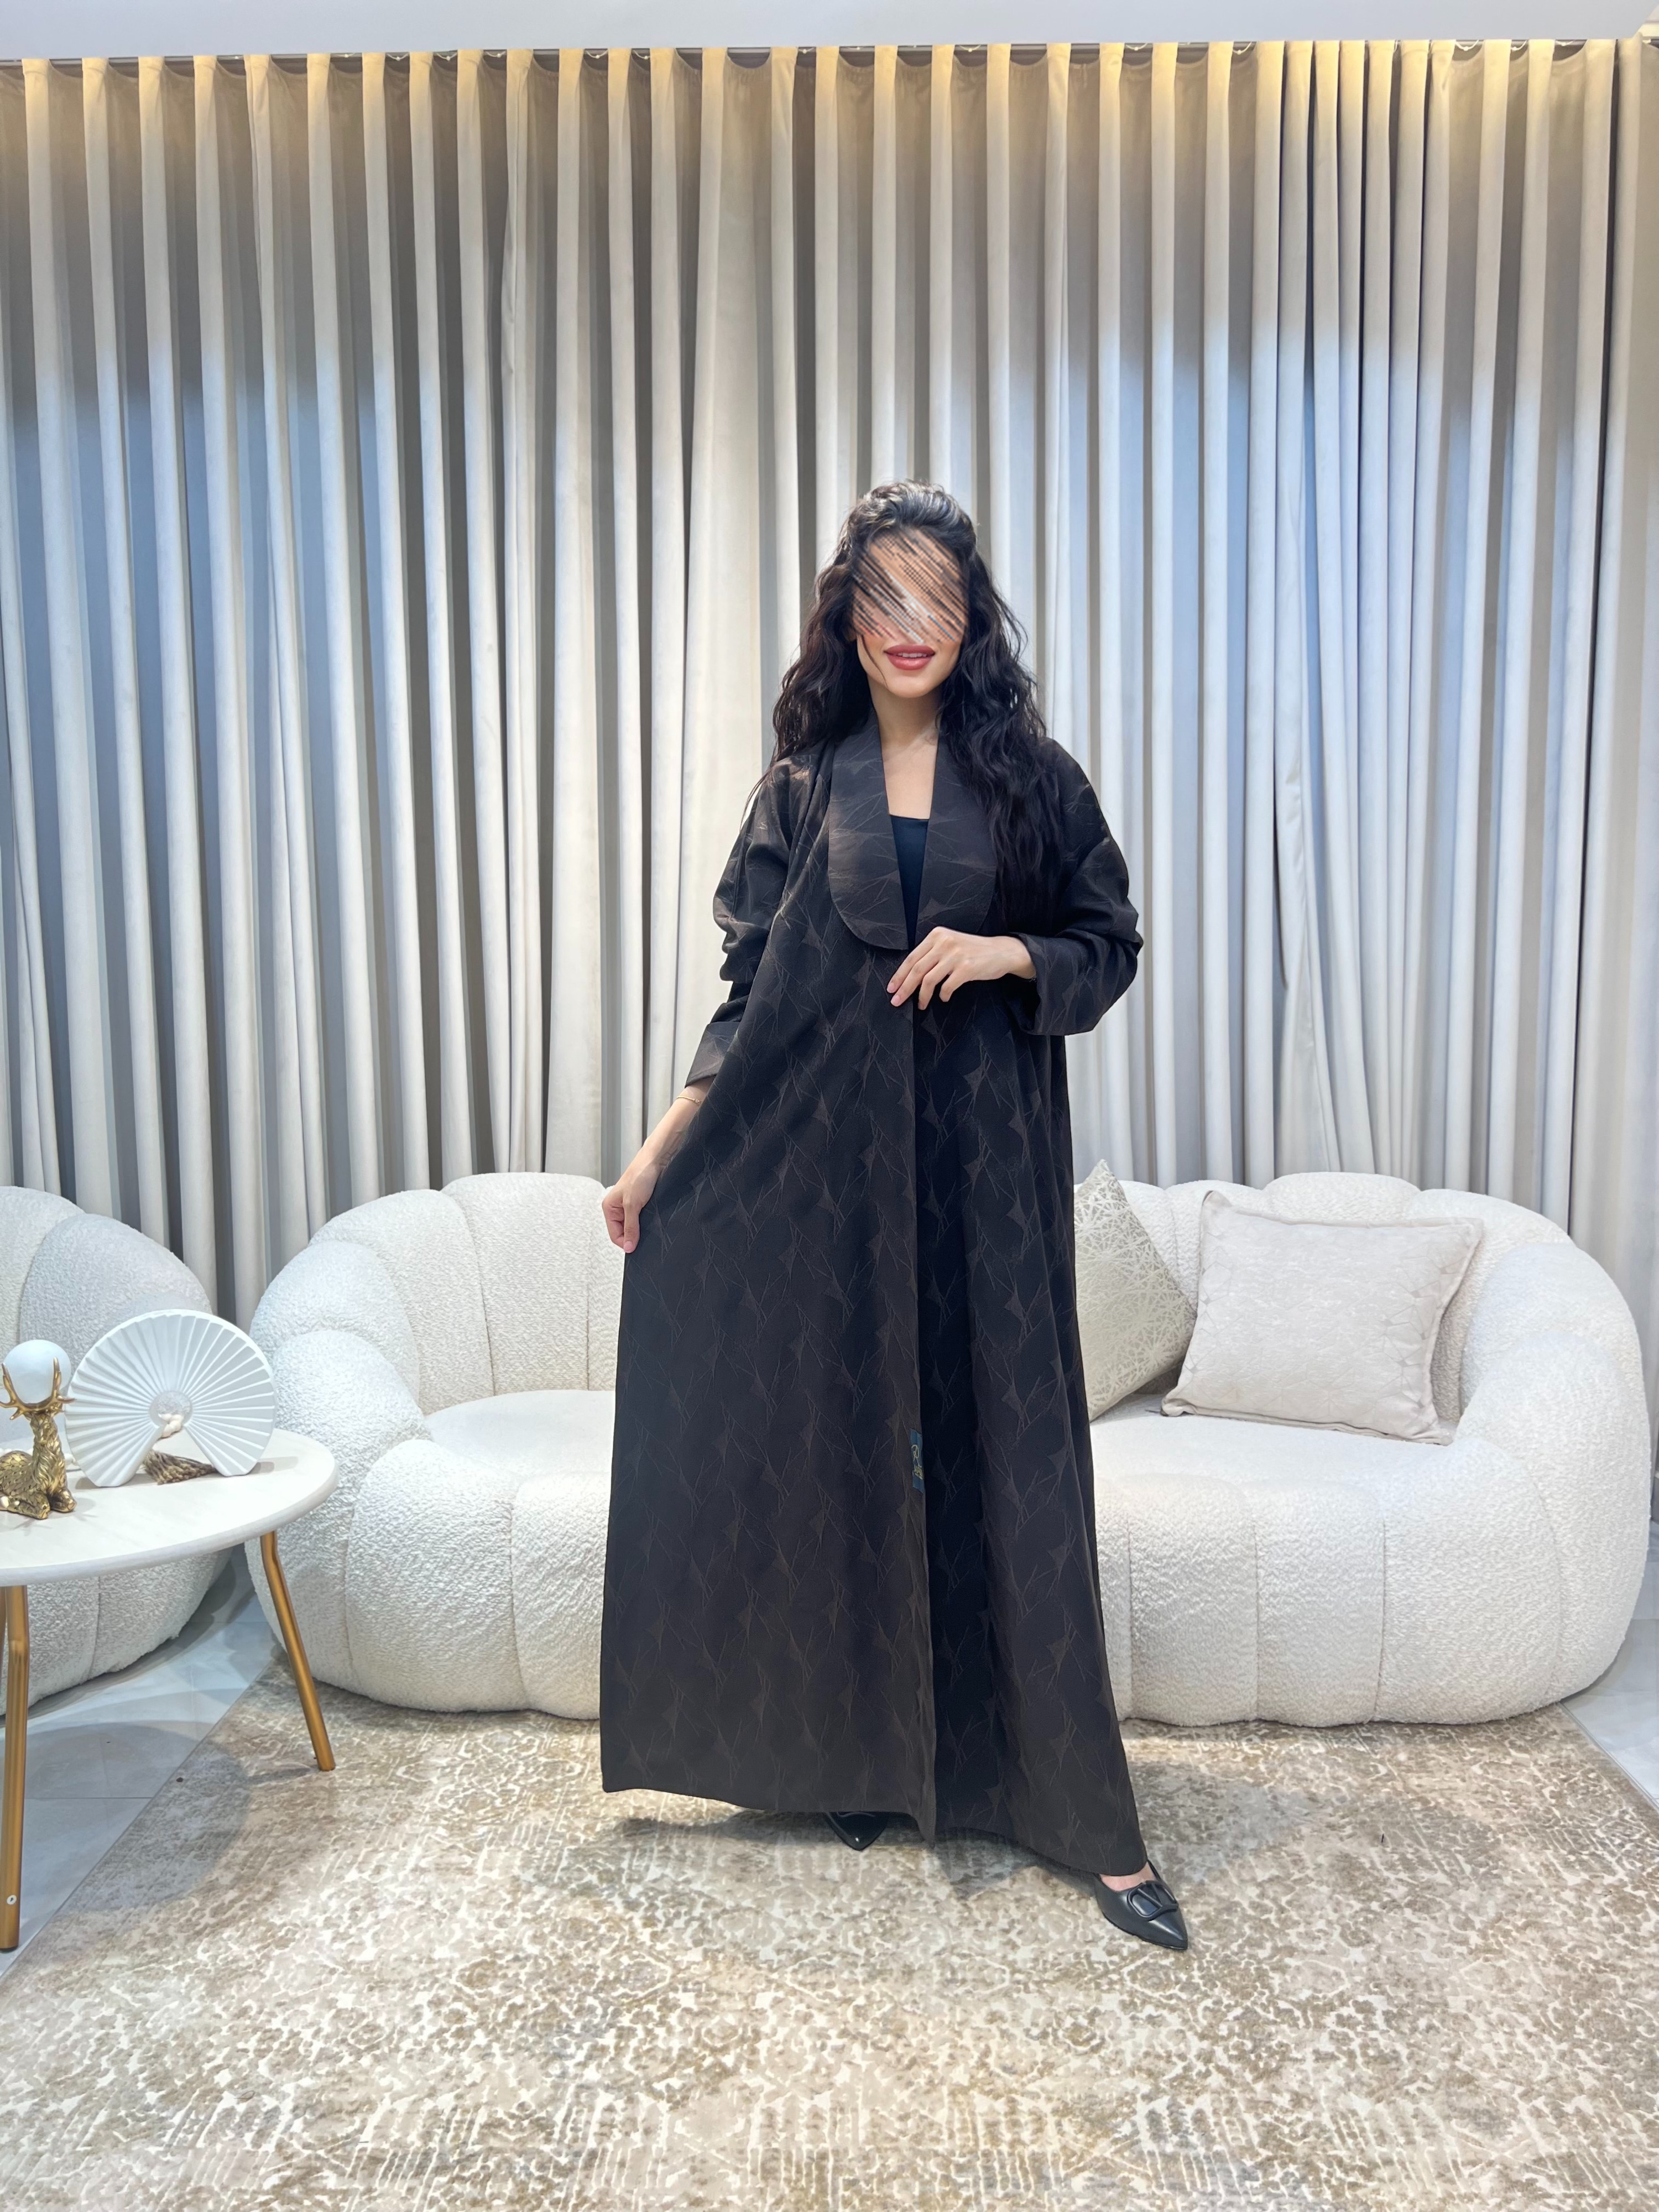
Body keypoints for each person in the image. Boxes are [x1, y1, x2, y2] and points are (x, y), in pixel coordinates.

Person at [598, 481, 1186, 1952]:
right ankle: (868, 1765)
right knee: (845, 1467)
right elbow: (750, 1004)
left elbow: (1107, 943)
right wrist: (657, 1160)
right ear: (845, 620)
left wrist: (1001, 954)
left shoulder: (1034, 781)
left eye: (936, 598)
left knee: (1019, 1472)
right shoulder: (806, 789)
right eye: (882, 598)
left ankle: (1088, 1822)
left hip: (991, 1189)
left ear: (972, 618)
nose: (909, 626)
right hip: (836, 1191)